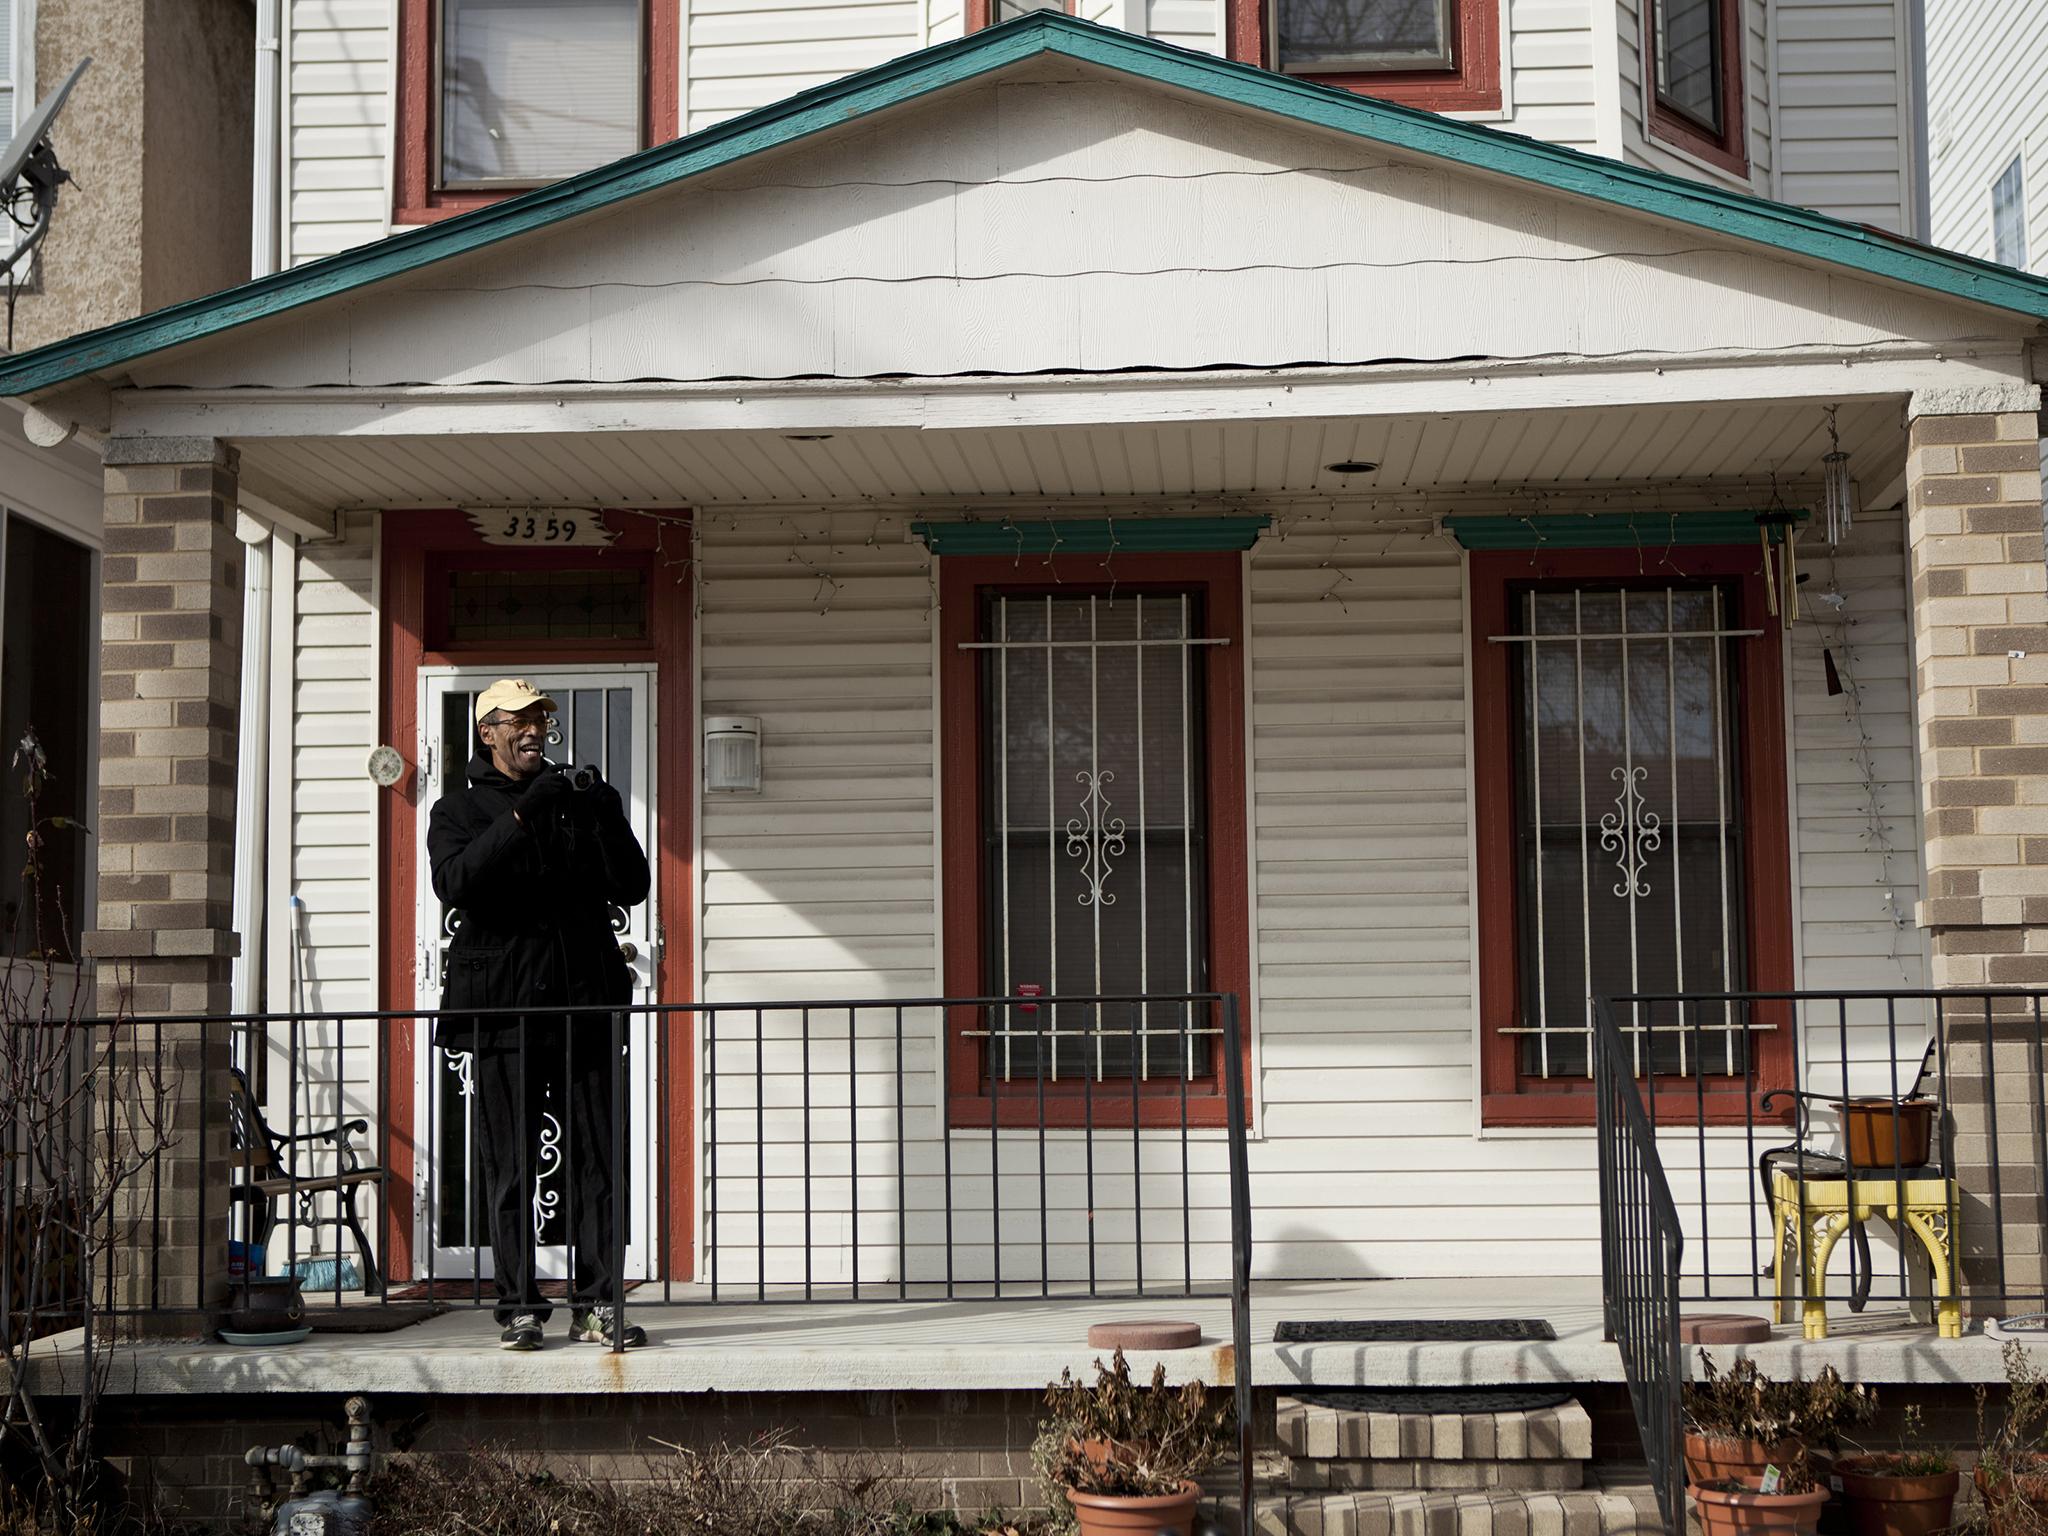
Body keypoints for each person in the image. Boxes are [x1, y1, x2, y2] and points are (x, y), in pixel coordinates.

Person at [427, 679, 651, 1351]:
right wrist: (523, 816)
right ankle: (520, 1308)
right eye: (518, 720)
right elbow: (456, 882)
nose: (533, 729)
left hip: (584, 1004)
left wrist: (607, 814)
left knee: (597, 1163)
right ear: (488, 732)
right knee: (511, 1168)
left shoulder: (571, 803)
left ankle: (597, 1305)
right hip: (504, 1012)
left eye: (539, 719)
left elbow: (632, 885)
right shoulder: (457, 809)